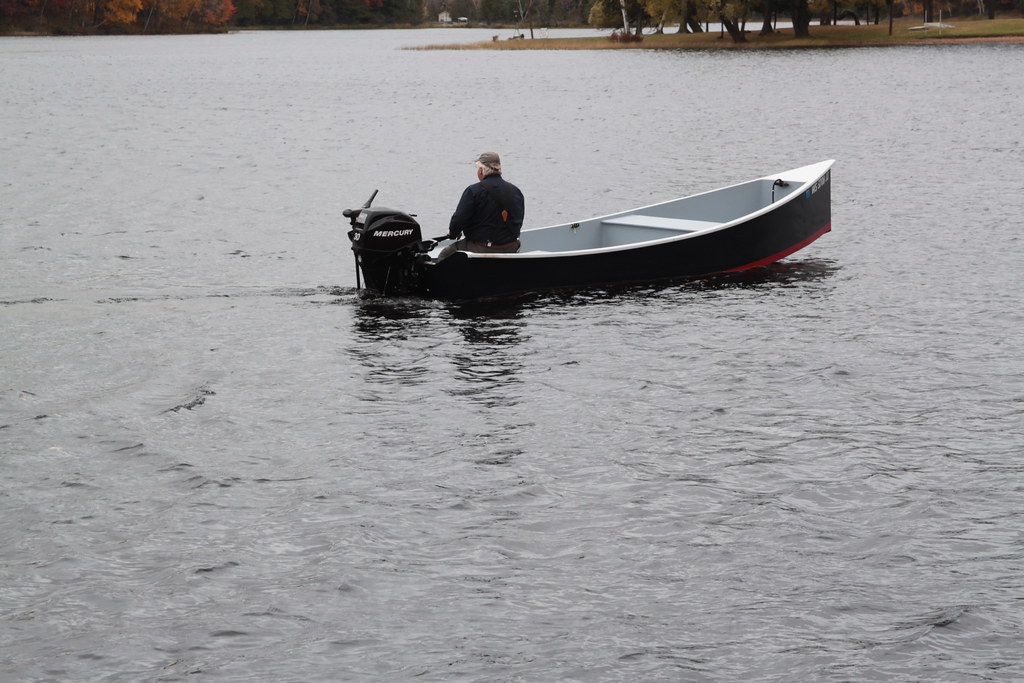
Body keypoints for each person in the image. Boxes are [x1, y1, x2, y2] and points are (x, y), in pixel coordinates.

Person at [438, 152, 525, 260]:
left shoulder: (473, 191)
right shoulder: (515, 191)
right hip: (511, 247)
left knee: (445, 255)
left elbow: (459, 219)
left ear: (481, 170)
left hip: (482, 248)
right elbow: (518, 221)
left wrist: (453, 233)